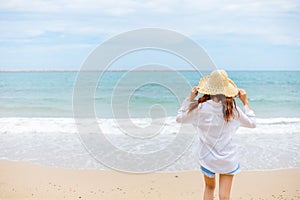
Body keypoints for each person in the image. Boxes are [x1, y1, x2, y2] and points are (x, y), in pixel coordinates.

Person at [176, 70, 256, 200]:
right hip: (228, 158)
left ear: (207, 89)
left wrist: (190, 98)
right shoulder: (233, 109)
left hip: (207, 158)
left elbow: (179, 118)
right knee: (224, 197)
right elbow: (252, 123)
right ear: (227, 90)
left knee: (209, 188)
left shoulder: (200, 108)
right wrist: (245, 102)